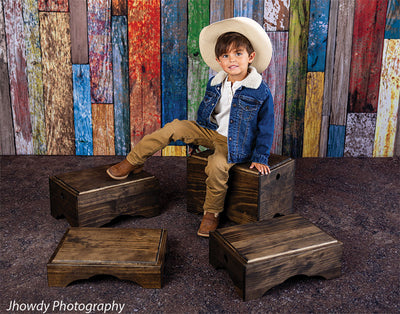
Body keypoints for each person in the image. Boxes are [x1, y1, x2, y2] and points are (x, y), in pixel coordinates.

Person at [107, 17, 274, 237]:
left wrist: (260, 156)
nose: (231, 60)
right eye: (225, 56)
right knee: (174, 128)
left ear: (250, 57)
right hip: (210, 131)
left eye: (238, 54)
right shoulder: (216, 82)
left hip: (234, 143)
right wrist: (196, 137)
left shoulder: (259, 91)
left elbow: (266, 126)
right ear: (218, 60)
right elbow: (209, 113)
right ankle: (132, 161)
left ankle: (211, 213)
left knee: (216, 165)